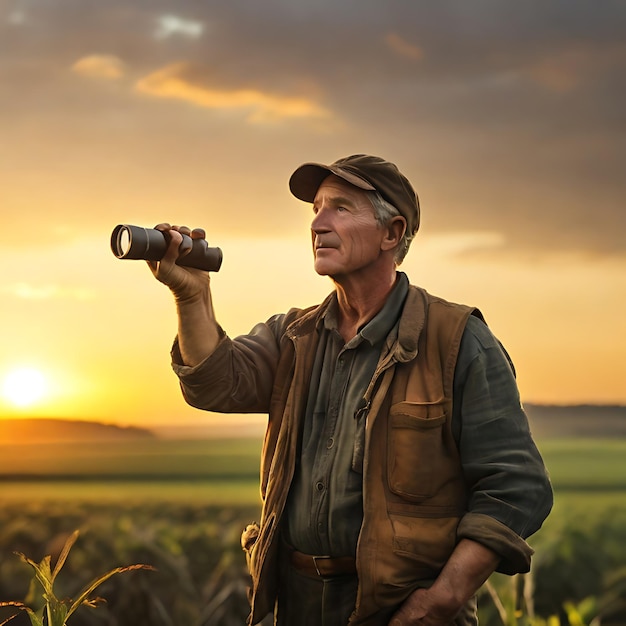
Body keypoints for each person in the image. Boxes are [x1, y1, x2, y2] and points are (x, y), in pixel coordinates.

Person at [148, 154, 553, 626]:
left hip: (402, 610)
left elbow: (516, 486)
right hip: (296, 603)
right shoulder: (294, 336)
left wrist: (443, 600)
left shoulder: (457, 340)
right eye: (315, 209)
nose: (318, 224)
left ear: (392, 233)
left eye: (340, 208)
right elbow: (214, 384)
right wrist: (191, 295)